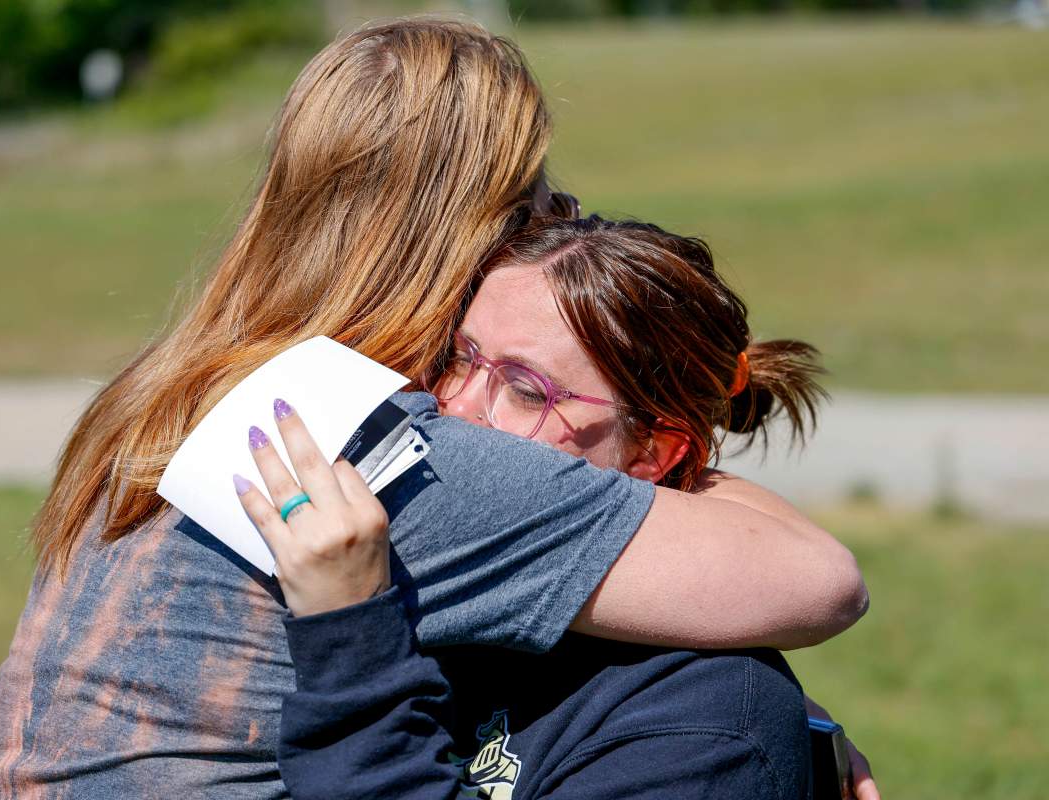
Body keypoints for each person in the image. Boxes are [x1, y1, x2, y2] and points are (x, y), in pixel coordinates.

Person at [0, 20, 866, 799]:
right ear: (464, 228)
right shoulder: (377, 448)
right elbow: (818, 582)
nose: (561, 212)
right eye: (537, 198)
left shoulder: (194, 382)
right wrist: (770, 714)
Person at [248, 216, 877, 799]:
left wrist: (351, 642)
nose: (455, 409)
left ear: (652, 453)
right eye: (460, 357)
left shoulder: (706, 729)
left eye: (526, 390)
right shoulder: (439, 563)